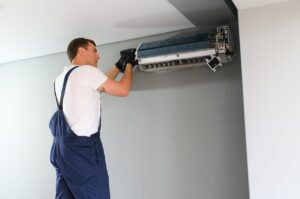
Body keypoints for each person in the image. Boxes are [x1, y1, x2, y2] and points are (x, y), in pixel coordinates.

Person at [49, 38, 135, 199]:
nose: (98, 56)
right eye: (94, 50)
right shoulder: (86, 71)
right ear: (81, 51)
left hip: (61, 151)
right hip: (83, 152)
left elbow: (100, 85)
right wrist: (130, 64)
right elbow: (123, 90)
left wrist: (118, 66)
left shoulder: (62, 78)